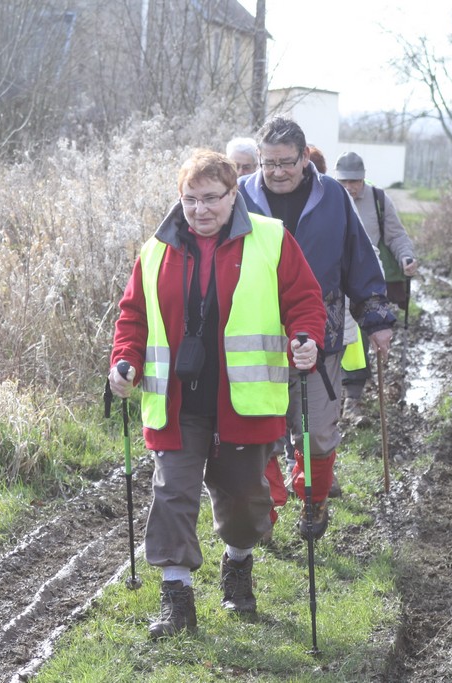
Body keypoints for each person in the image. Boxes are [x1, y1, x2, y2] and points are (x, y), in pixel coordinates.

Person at [109, 149, 326, 639]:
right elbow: (133, 318)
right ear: (179, 198)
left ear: (234, 195)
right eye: (191, 199)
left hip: (243, 402)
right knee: (172, 492)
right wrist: (125, 362)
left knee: (246, 500)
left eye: (212, 198)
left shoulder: (271, 240)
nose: (201, 209)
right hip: (177, 401)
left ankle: (238, 563)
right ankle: (176, 599)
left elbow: (304, 301)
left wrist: (307, 339)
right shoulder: (155, 250)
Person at [238, 116, 397, 539]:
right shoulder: (240, 198)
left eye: (286, 162)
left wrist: (377, 318)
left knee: (318, 432)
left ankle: (314, 500)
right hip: (252, 341)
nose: (276, 172)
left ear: (305, 157)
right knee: (261, 435)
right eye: (268, 163)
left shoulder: (334, 200)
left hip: (319, 336)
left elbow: (359, 260)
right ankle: (265, 514)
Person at [333, 151, 419, 423]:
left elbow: (396, 235)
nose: (349, 187)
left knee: (361, 338)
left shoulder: (379, 200)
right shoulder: (329, 198)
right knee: (339, 340)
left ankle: (352, 400)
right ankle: (337, 398)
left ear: (363, 179)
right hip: (334, 280)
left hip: (367, 279)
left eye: (355, 181)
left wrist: (406, 257)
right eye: (344, 181)